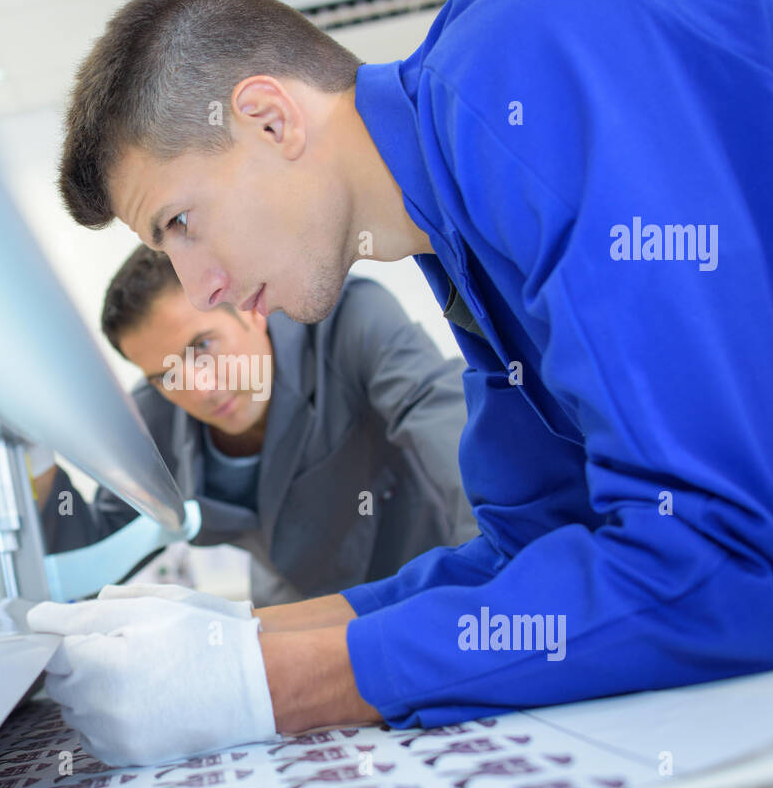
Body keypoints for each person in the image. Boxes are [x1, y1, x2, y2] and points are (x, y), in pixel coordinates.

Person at [28, 0, 773, 766]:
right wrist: (236, 636)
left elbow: (728, 564)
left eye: (179, 222)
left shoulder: (529, 61)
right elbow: (539, 544)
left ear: (270, 118)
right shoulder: (461, 231)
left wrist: (271, 685)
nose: (200, 288)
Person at [30, 243, 477, 607]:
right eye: (165, 375)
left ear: (247, 308)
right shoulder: (157, 418)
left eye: (202, 346)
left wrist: (489, 583)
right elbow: (93, 562)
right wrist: (35, 456)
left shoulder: (349, 321)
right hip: (302, 614)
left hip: (434, 584)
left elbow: (449, 428)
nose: (199, 388)